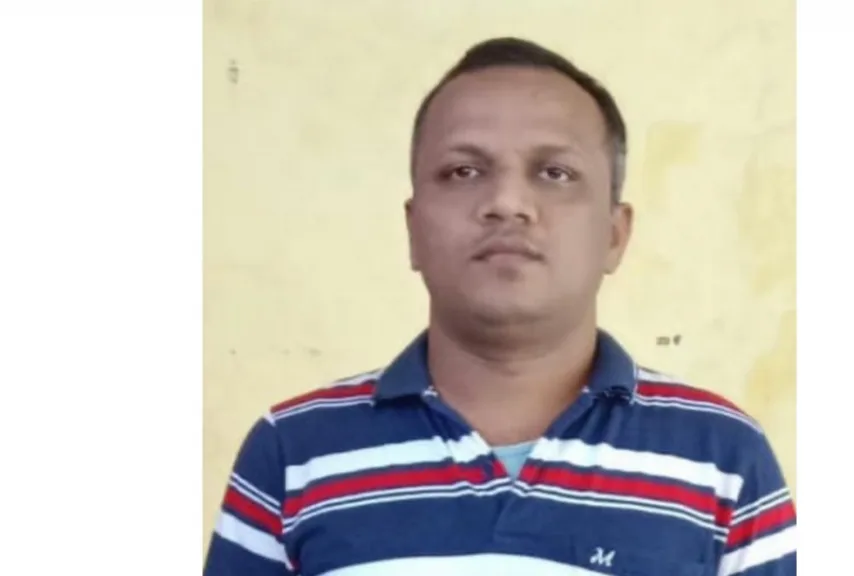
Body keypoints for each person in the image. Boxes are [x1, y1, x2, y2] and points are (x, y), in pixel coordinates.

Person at [204, 36, 796, 576]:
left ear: (615, 235)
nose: (508, 202)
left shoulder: (723, 457)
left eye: (555, 172)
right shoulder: (293, 451)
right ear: (413, 230)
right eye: (463, 171)